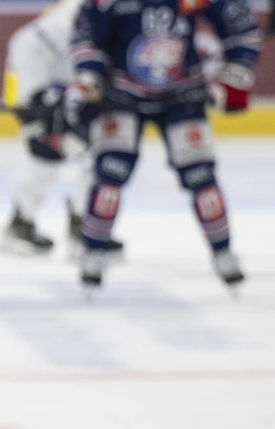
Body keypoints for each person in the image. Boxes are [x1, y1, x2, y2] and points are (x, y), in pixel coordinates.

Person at [69, 0, 259, 291]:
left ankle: (223, 252)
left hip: (182, 96)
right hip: (122, 95)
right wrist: (89, 72)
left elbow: (240, 22)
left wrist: (238, 67)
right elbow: (86, 31)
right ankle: (94, 250)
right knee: (110, 172)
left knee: (200, 176)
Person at [0, 0, 127, 256]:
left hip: (62, 61)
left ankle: (80, 224)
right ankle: (29, 223)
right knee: (48, 146)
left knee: (94, 146)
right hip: (44, 60)